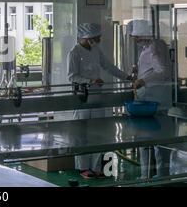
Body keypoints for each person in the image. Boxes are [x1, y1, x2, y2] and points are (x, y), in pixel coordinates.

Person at [67, 23, 131, 179]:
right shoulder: (74, 52)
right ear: (88, 38)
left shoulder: (96, 50)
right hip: (82, 96)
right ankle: (83, 168)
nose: (99, 39)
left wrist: (127, 77)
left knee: (97, 133)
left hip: (97, 96)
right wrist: (90, 81)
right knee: (82, 133)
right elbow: (71, 76)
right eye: (97, 37)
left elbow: (109, 67)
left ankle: (96, 167)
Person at [130, 19, 173, 179]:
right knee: (149, 141)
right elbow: (152, 68)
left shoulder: (155, 46)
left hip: (156, 102)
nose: (134, 40)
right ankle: (149, 175)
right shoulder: (149, 47)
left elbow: (163, 71)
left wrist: (143, 80)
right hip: (149, 99)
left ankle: (158, 175)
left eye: (135, 36)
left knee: (157, 142)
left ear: (141, 35)